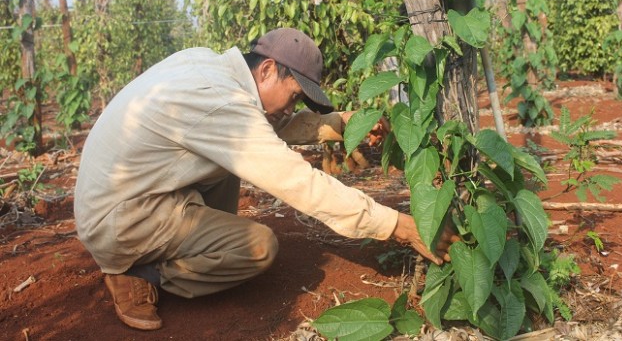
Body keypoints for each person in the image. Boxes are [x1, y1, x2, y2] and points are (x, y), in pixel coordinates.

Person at [74, 28, 457, 331]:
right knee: (257, 247)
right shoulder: (220, 101)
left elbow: (265, 126)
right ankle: (142, 271)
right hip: (124, 219)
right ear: (268, 69)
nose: (292, 107)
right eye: (293, 96)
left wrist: (346, 124)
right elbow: (296, 181)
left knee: (228, 162)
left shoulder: (213, 69)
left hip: (135, 192)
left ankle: (172, 246)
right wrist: (398, 226)